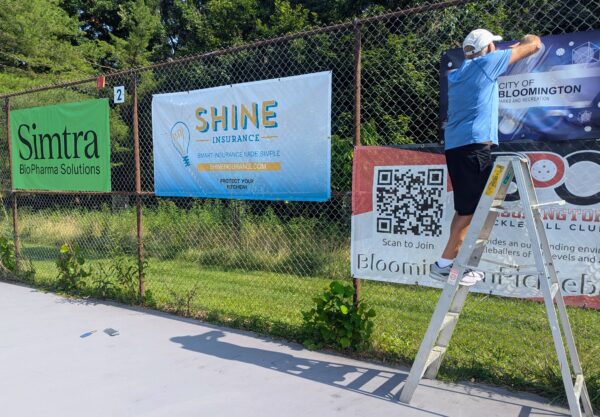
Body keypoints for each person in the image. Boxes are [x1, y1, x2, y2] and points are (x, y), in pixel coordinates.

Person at [430, 29, 542, 285]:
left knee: (465, 210)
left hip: (458, 148)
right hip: (473, 148)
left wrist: (502, 49)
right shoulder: (487, 63)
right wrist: (526, 38)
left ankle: (447, 263)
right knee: (473, 210)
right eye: (494, 45)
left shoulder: (459, 73)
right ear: (490, 48)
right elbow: (534, 45)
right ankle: (445, 265)